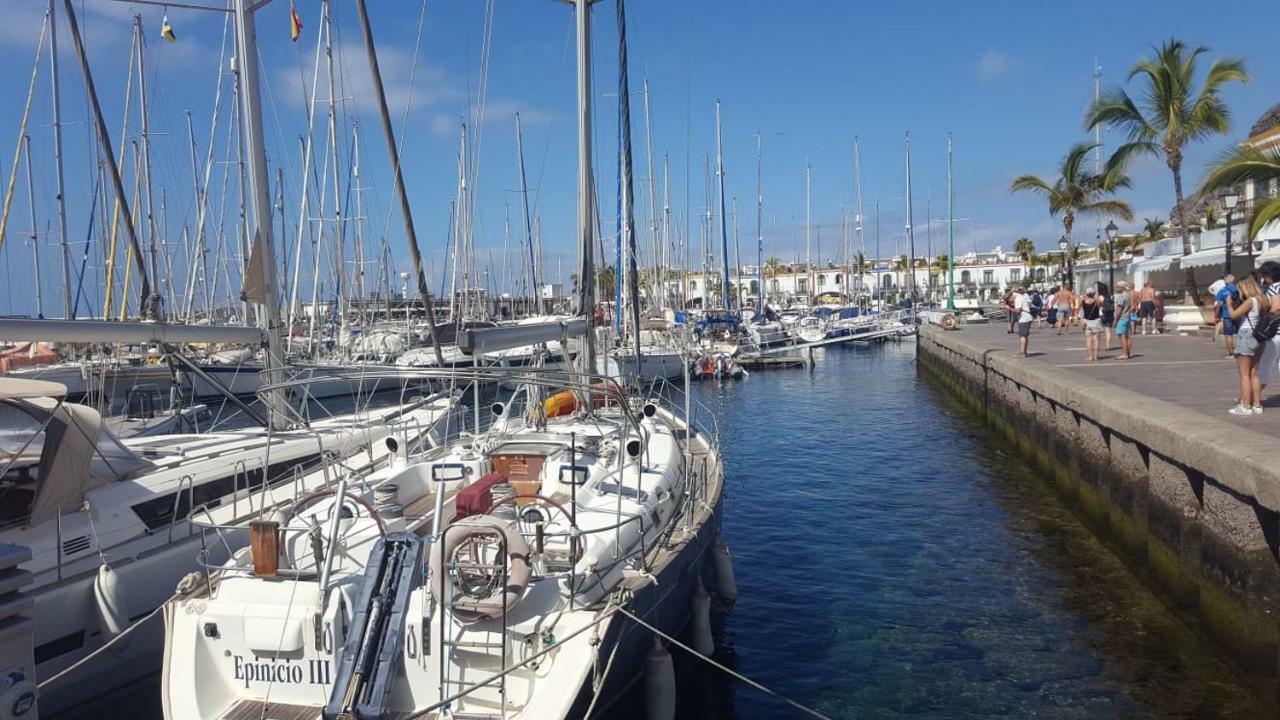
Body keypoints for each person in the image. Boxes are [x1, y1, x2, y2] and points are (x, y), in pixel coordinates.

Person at [1227, 276, 1266, 416]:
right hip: (1259, 336)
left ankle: (1245, 406)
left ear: (1245, 287)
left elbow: (1233, 315)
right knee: (1254, 373)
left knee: (1244, 374)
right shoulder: (1263, 299)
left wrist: (1228, 304)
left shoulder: (1251, 301)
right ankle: (1257, 405)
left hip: (1247, 334)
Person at [1257, 261, 1280, 398]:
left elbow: (1276, 308)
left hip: (1276, 333)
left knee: (1266, 365)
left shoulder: (1275, 287)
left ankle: (1252, 396)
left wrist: (1266, 317)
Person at [1214, 274, 1238, 358]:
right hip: (1238, 313)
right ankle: (1239, 352)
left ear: (1225, 281)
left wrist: (1216, 315)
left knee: (1228, 335)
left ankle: (1231, 353)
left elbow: (1218, 305)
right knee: (1238, 333)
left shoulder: (1222, 291)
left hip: (1227, 314)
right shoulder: (1238, 289)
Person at [1009, 285, 1033, 356]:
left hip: (1024, 318)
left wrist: (1010, 309)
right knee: (1024, 335)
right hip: (1026, 317)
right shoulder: (1021, 297)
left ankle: (1022, 352)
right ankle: (1024, 351)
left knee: (1022, 335)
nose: (1010, 299)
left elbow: (1018, 310)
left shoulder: (1018, 298)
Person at [1114, 281, 1135, 360]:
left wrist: (1116, 319)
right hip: (1127, 317)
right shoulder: (1127, 295)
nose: (1116, 288)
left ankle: (1125, 354)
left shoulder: (1122, 296)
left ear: (1122, 287)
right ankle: (1129, 353)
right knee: (1126, 336)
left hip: (1122, 318)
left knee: (1122, 337)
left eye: (1117, 287)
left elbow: (1119, 309)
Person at [1081, 289, 1103, 361]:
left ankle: (1090, 356)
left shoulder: (1083, 302)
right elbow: (1102, 304)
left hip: (1087, 321)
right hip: (1096, 321)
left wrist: (1085, 296)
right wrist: (1096, 295)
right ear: (1093, 294)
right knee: (1096, 340)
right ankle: (1096, 356)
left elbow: (1080, 308)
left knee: (1089, 340)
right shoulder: (1096, 301)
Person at [1098, 281, 1116, 351]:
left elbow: (1098, 305)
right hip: (1110, 314)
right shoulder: (1110, 296)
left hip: (1102, 314)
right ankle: (1108, 346)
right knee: (1108, 331)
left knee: (1098, 331)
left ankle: (1098, 345)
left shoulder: (1100, 297)